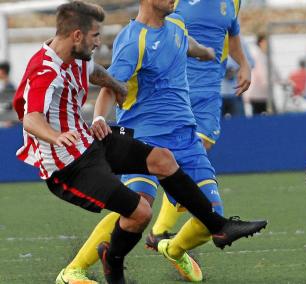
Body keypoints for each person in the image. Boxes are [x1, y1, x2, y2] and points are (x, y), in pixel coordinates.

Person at [54, 1, 267, 283]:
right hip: (143, 137)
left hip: (185, 137)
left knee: (211, 218)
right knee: (137, 206)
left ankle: (171, 247)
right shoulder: (133, 41)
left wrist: (206, 54)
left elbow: (186, 43)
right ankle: (73, 270)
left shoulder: (177, 24)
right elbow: (111, 85)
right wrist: (97, 119)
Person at [145, 0, 253, 264]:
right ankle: (161, 231)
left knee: (199, 148)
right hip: (176, 88)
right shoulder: (173, 2)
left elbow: (232, 33)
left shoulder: (233, 2)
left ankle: (161, 232)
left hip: (208, 92)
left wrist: (244, 64)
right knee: (177, 157)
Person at [243, 33, 282, 116]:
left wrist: (282, 81)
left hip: (266, 95)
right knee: (261, 117)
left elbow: (275, 73)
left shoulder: (267, 57)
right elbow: (263, 75)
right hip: (258, 95)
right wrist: (271, 82)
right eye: (266, 41)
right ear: (261, 43)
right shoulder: (258, 57)